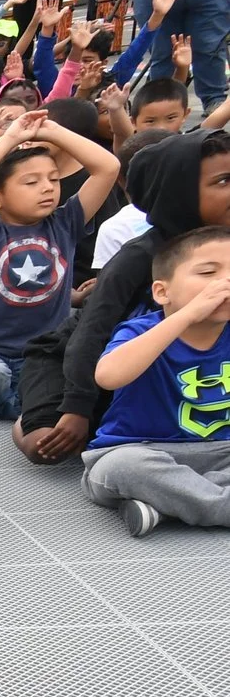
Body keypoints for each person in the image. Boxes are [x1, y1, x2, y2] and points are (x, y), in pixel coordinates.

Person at [42, 130, 230, 461]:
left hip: (187, 376)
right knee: (47, 443)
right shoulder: (139, 256)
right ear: (181, 191)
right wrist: (78, 406)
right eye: (223, 181)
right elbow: (91, 331)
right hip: (90, 360)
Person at [0, 108, 120, 419]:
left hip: (43, 355)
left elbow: (108, 167)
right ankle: (11, 403)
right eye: (31, 182)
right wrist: (11, 137)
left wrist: (52, 132)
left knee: (83, 382)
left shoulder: (65, 223)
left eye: (53, 179)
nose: (48, 187)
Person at [84, 224, 230, 532]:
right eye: (207, 273)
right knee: (124, 468)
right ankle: (211, 504)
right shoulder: (140, 330)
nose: (224, 282)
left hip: (220, 453)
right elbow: (108, 376)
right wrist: (187, 315)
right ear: (162, 292)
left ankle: (166, 508)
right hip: (140, 451)